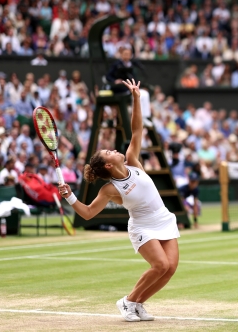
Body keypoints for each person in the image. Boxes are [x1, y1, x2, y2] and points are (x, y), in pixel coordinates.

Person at [58, 79, 179, 322]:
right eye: (109, 152)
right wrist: (70, 196)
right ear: (109, 165)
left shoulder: (133, 160)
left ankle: (138, 304)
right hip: (143, 226)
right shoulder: (110, 189)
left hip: (164, 219)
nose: (114, 150)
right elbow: (89, 213)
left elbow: (136, 130)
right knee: (159, 266)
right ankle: (128, 301)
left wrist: (135, 97)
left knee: (170, 269)